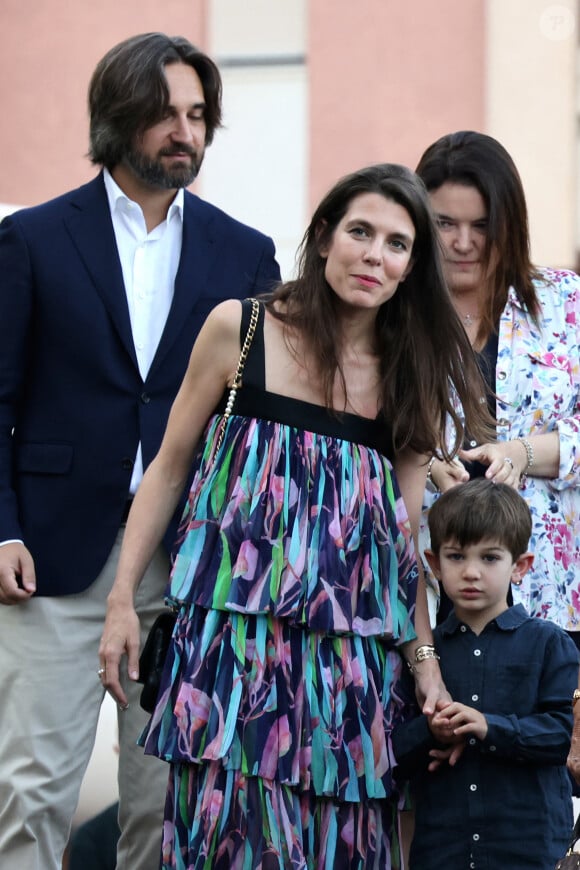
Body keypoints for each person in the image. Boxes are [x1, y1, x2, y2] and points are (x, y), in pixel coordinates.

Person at [99, 162, 492, 868]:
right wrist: (123, 598)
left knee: (336, 842)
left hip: (345, 661)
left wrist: (424, 663)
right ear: (323, 238)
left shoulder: (411, 372)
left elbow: (400, 539)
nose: (374, 255)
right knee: (223, 835)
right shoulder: (241, 329)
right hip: (229, 645)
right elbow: (167, 468)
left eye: (396, 244)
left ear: (411, 267)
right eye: (360, 232)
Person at [0, 32, 280, 870]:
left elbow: (255, 424)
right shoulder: (34, 240)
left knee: (163, 807)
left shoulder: (245, 253)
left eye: (197, 115)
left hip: (189, 560)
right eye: (165, 114)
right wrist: (2, 529)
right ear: (117, 118)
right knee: (32, 792)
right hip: (49, 557)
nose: (184, 132)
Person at [415, 131, 580, 637]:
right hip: (424, 596)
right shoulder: (391, 316)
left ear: (509, 225)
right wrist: (427, 469)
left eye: (481, 226)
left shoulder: (566, 304)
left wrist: (520, 454)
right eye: (445, 223)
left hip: (551, 595)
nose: (463, 243)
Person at [393, 478, 578, 869]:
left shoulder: (549, 643)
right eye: (457, 557)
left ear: (520, 566)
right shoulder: (425, 656)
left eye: (489, 558)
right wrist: (433, 730)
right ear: (434, 564)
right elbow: (393, 752)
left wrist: (488, 727)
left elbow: (559, 737)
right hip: (444, 849)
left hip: (528, 848)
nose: (471, 572)